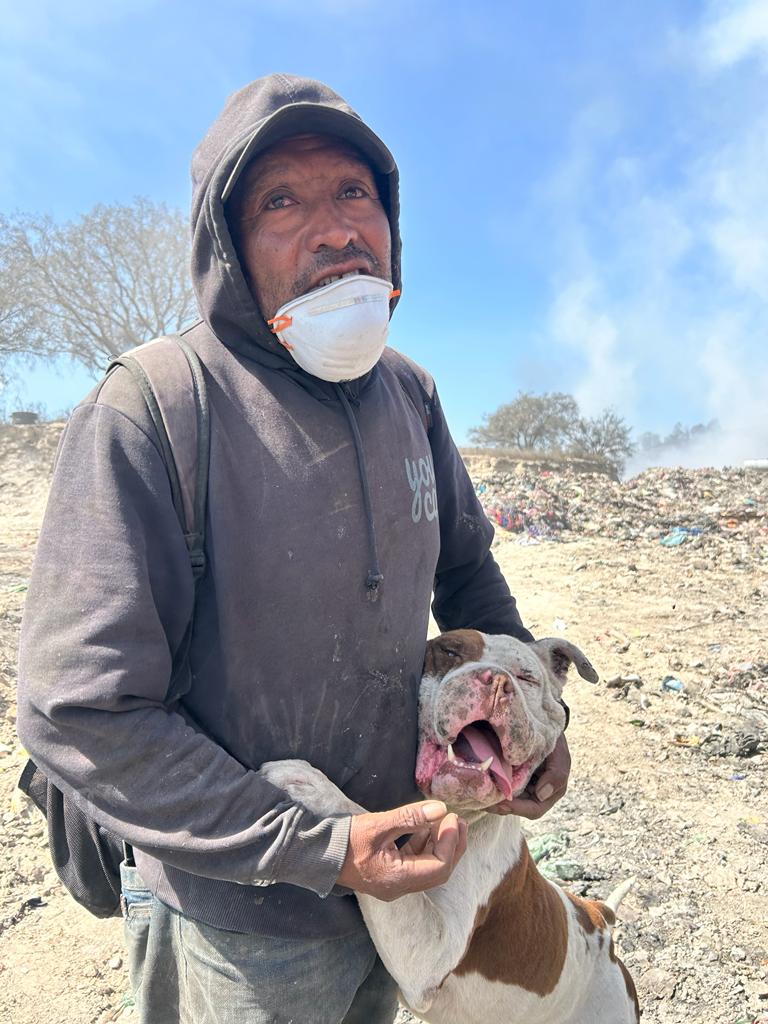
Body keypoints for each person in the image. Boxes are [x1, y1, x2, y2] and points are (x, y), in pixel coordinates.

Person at [17, 74, 571, 1024]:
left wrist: (535, 721)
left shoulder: (412, 395)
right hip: (237, 917)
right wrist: (322, 847)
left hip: (406, 881)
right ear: (226, 246)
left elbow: (470, 574)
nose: (334, 228)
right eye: (282, 201)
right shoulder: (156, 405)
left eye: (356, 193)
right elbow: (78, 707)